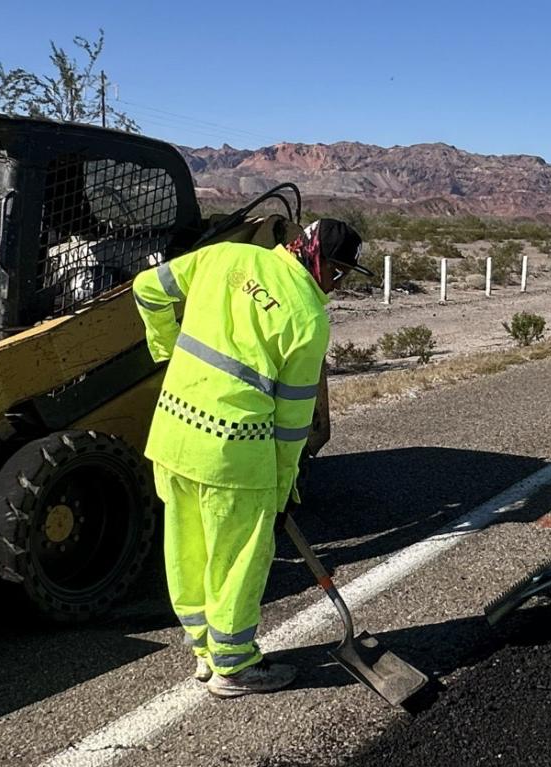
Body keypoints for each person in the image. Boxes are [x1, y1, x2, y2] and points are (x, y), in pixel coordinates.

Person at [131, 218, 372, 698]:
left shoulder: (226, 256)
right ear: (315, 258)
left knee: (187, 550)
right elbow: (291, 422)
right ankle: (234, 664)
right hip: (234, 452)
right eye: (338, 272)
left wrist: (165, 349)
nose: (337, 284)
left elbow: (146, 288)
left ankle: (205, 651)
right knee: (238, 559)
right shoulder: (308, 318)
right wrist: (283, 485)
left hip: (173, 434)